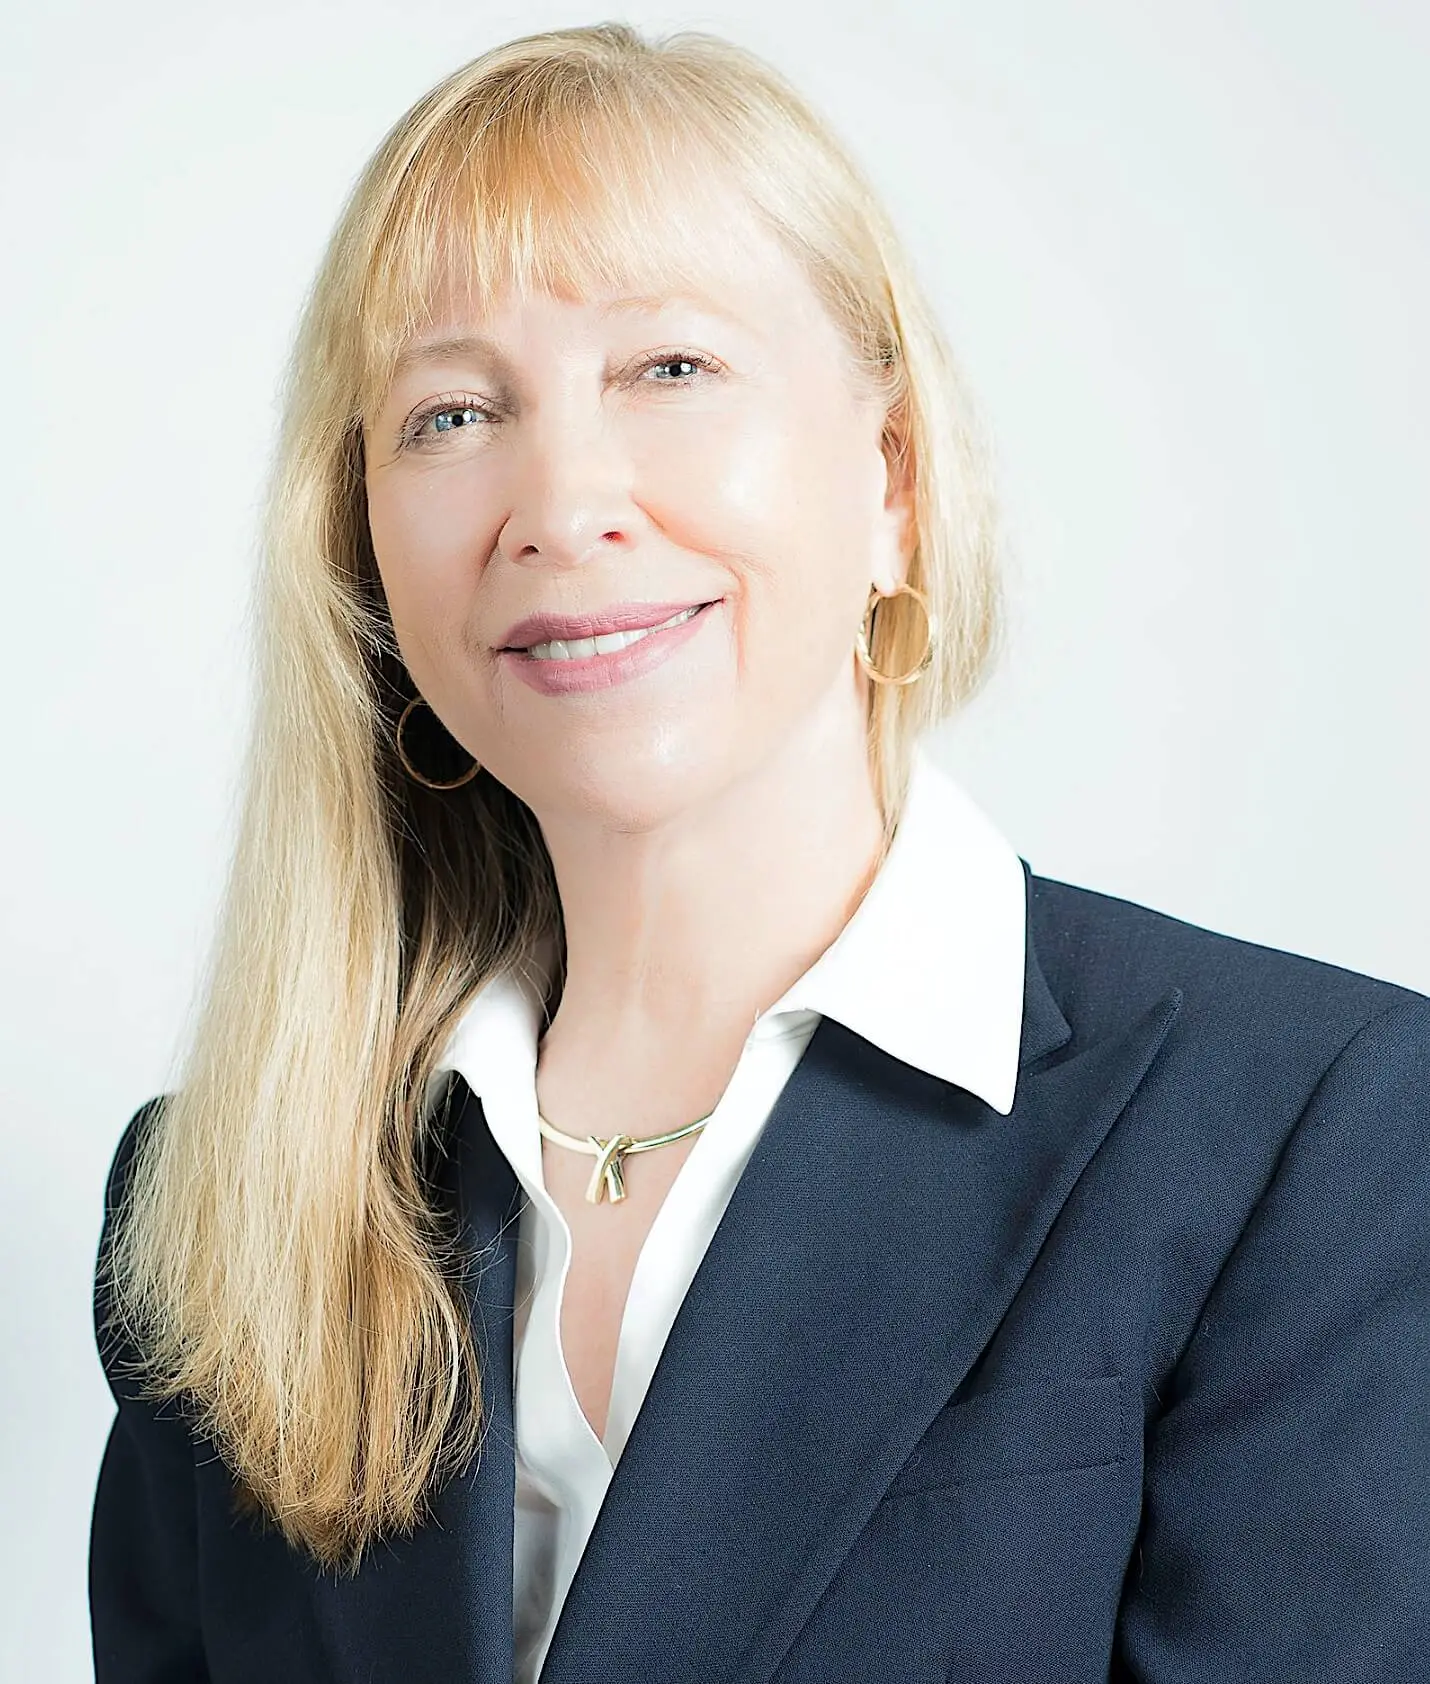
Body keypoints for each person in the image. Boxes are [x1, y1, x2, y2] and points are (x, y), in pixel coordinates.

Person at [88, 21, 1430, 1684]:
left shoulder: (1313, 1130)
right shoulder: (229, 1199)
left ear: (891, 482)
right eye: (447, 414)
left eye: (668, 370)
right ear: (360, 546)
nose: (560, 503)